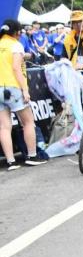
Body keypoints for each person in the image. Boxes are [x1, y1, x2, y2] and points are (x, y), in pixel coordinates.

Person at [0, 20, 46, 169]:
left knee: (4, 127)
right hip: (13, 87)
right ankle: (32, 156)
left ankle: (11, 161)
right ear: (17, 32)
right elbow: (16, 68)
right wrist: (25, 90)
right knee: (28, 122)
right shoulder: (16, 45)